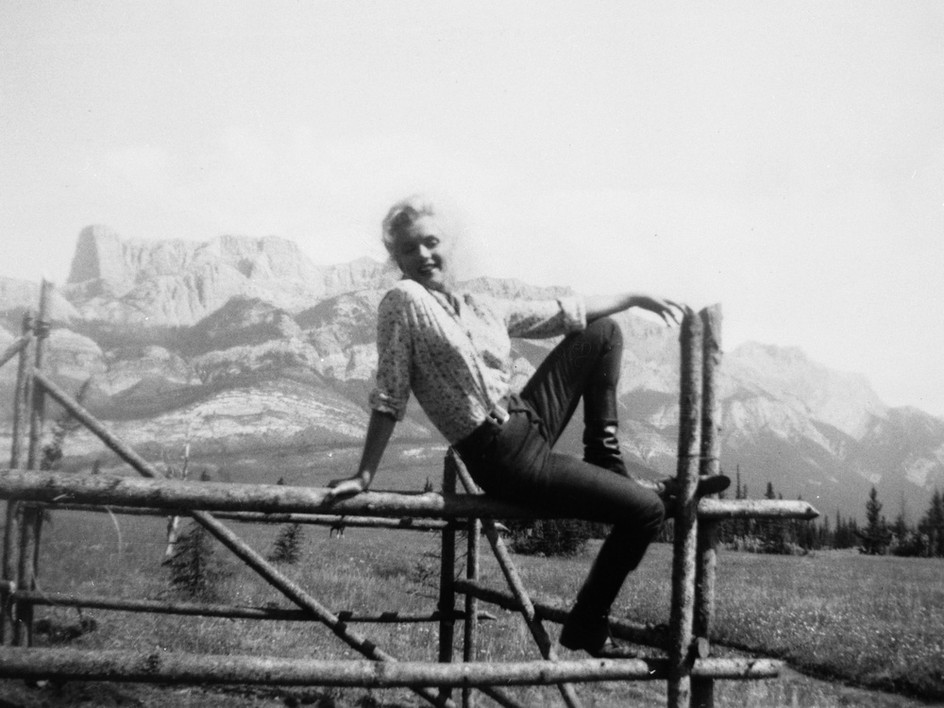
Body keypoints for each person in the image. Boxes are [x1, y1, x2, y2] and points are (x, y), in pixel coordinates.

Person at [326, 195, 729, 658]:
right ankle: (587, 622)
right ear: (396, 259)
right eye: (408, 249)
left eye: (431, 242)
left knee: (602, 332)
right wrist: (364, 474)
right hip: (502, 454)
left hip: (527, 416)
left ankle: (607, 461)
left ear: (449, 243)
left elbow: (564, 311)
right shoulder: (403, 301)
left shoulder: (478, 304)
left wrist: (635, 297)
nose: (423, 255)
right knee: (645, 512)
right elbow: (390, 392)